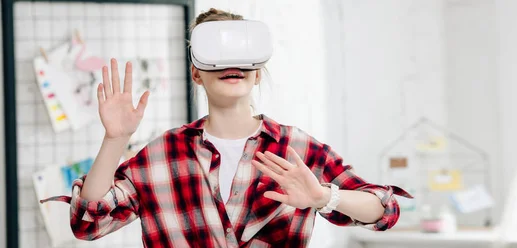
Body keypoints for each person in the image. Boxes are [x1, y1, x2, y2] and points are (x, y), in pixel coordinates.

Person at [41, 8, 412, 248]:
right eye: (216, 57)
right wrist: (115, 139)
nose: (230, 65)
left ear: (257, 69)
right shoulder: (162, 155)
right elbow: (88, 224)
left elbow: (385, 210)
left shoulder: (295, 147)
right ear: (196, 74)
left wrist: (325, 198)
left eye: (241, 56)